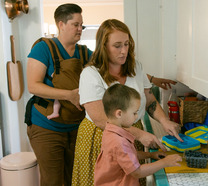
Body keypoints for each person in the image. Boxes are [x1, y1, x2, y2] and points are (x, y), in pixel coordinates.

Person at [72, 19, 182, 186]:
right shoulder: (90, 74)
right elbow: (101, 119)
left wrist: (164, 120)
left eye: (126, 44)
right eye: (117, 46)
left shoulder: (136, 67)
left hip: (132, 135)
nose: (124, 51)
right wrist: (139, 135)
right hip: (100, 137)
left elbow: (150, 100)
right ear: (104, 46)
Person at [25, 3, 93, 186]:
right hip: (46, 127)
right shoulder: (43, 48)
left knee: (75, 179)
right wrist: (69, 95)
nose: (80, 29)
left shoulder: (85, 53)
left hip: (76, 128)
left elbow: (113, 69)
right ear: (61, 24)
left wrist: (149, 79)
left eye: (82, 25)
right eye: (75, 24)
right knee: (52, 181)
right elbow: (33, 86)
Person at [94, 84, 182, 186]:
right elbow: (137, 172)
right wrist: (165, 162)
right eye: (134, 113)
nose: (136, 117)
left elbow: (129, 156)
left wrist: (150, 155)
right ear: (119, 114)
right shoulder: (118, 142)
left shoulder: (110, 131)